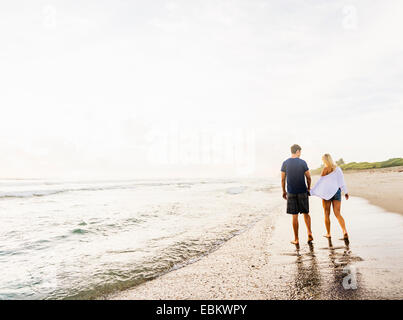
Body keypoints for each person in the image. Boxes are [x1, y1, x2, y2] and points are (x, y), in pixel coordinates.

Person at [310, 154, 350, 240]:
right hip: (336, 192)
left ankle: (328, 233)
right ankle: (344, 231)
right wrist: (345, 192)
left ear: (325, 160)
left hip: (326, 194)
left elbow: (320, 183)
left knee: (326, 214)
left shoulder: (325, 170)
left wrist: (311, 191)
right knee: (338, 213)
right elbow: (341, 181)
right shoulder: (338, 169)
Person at [281, 144, 313, 245]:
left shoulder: (285, 163)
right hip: (302, 191)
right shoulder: (302, 162)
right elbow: (308, 177)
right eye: (300, 151)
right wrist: (308, 188)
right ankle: (309, 232)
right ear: (298, 151)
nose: (300, 153)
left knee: (294, 216)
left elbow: (282, 179)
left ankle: (296, 239)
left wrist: (284, 191)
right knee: (306, 213)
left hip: (291, 192)